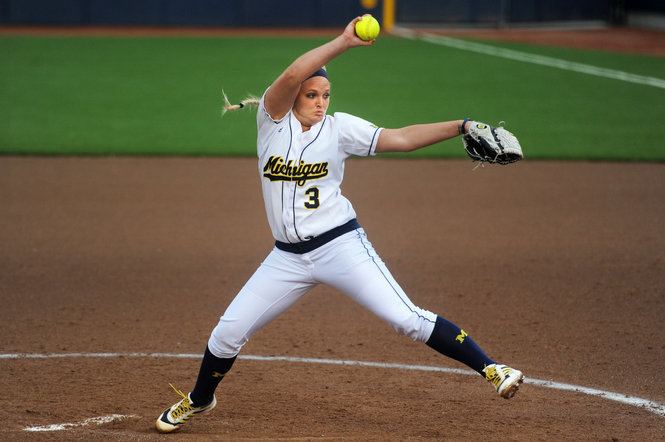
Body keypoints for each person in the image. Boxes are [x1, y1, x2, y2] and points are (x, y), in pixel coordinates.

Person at [155, 17, 524, 433]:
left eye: (326, 94)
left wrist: (460, 125)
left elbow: (400, 138)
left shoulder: (340, 129)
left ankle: (492, 369)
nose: (320, 102)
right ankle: (201, 399)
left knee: (407, 319)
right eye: (311, 94)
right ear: (293, 97)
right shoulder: (273, 123)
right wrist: (344, 42)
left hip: (340, 246)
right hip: (287, 259)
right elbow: (293, 73)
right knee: (227, 333)